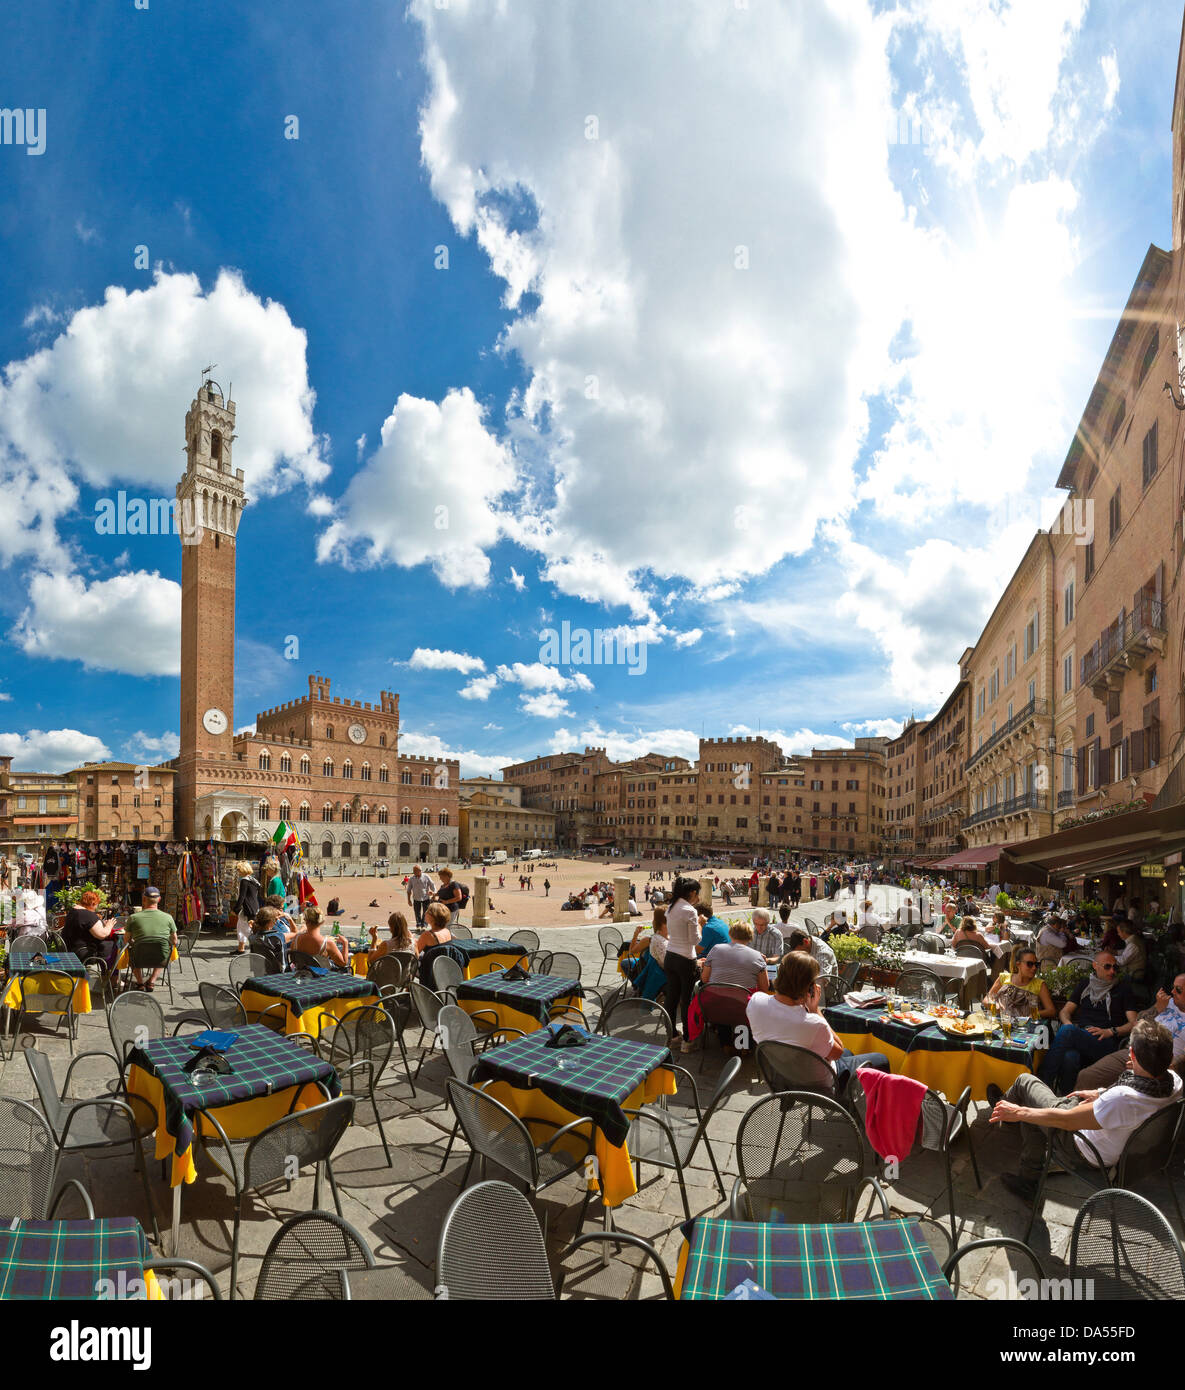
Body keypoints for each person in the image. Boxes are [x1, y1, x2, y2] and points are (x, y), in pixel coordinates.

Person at [990, 1019, 1183, 1205]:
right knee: (1040, 1105)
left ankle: (1007, 1116)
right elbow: (1125, 1102)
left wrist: (1019, 1112)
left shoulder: (1123, 1098)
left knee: (1025, 1082)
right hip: (1121, 1146)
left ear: (1131, 1054)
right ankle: (1013, 1124)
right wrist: (1100, 1093)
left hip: (1084, 1150)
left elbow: (1066, 1122)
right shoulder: (1174, 1083)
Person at [746, 950, 890, 1088]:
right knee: (881, 1059)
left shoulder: (755, 1001)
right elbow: (838, 1052)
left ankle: (852, 1099)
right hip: (818, 1084)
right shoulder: (812, 1023)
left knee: (850, 1054)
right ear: (808, 987)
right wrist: (815, 1011)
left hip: (782, 1075)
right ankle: (864, 1106)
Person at [1037, 950, 1139, 1093]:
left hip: (1106, 1041)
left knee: (1068, 1033)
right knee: (1069, 1057)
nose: (1112, 971)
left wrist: (1111, 1031)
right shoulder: (1085, 984)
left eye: (1115, 967)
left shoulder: (1122, 989)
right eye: (1107, 967)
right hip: (1083, 1035)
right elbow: (1065, 1011)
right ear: (1095, 966)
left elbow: (1134, 1023)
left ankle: (1040, 1084)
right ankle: (1067, 1098)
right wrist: (1068, 1024)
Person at [1076, 973, 1185, 1089]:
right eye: (1172, 987)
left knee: (1119, 1093)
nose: (1172, 992)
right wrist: (1157, 1007)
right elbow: (1137, 1021)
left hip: (1159, 1066)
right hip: (1134, 1051)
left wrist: (1157, 1068)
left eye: (1178, 990)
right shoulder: (1169, 1002)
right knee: (1086, 1076)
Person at [664, 876, 702, 1053]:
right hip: (685, 958)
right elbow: (695, 940)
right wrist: (700, 925)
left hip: (670, 955)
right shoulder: (689, 910)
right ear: (693, 893)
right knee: (685, 1000)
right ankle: (687, 1039)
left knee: (671, 998)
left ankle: (672, 1036)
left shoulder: (671, 908)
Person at [123, 886, 178, 991]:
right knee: (164, 951)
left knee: (132, 951)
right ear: (159, 899)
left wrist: (136, 941)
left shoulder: (133, 918)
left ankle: (140, 983)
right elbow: (174, 940)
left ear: (144, 899)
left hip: (138, 959)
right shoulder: (168, 917)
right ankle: (152, 981)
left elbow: (126, 940)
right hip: (161, 960)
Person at [985, 945, 1056, 1020]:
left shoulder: (1039, 984)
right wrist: (995, 1006)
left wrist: (1035, 1014)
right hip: (1003, 1022)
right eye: (1030, 964)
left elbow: (1051, 1011)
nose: (1034, 968)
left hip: (1025, 1026)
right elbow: (987, 999)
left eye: (1036, 964)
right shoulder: (1003, 978)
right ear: (1018, 964)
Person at [61, 890, 119, 970]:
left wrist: (103, 926)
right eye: (96, 905)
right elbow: (102, 935)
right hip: (82, 953)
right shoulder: (87, 915)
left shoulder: (73, 911)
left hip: (69, 949)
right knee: (113, 945)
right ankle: (108, 975)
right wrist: (109, 925)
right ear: (92, 904)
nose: (96, 908)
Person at [230, 861, 263, 955]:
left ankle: (253, 948)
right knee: (243, 927)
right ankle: (241, 948)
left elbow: (242, 896)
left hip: (247, 908)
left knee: (246, 929)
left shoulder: (244, 880)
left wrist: (235, 910)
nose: (238, 872)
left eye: (239, 870)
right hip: (254, 907)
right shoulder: (253, 880)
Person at [249, 905, 294, 971]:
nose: (277, 921)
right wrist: (289, 918)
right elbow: (296, 933)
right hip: (278, 975)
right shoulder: (277, 938)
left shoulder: (252, 937)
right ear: (270, 922)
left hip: (260, 973)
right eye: (276, 919)